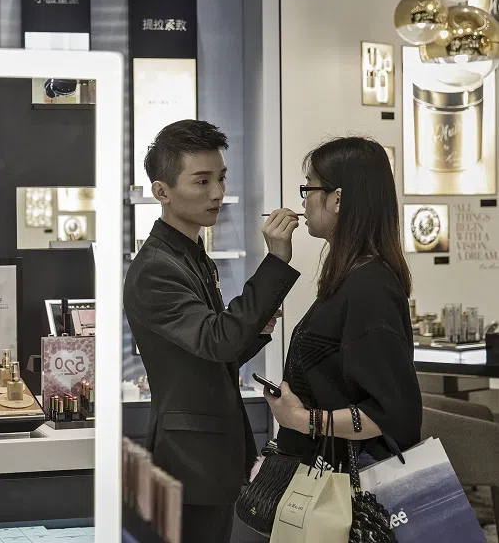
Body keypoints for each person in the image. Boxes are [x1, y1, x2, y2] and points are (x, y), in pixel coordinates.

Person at [123, 119, 301, 543]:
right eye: (201, 181)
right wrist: (275, 259)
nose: (217, 194)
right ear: (161, 191)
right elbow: (218, 339)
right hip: (189, 457)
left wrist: (254, 330)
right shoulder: (156, 268)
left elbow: (213, 350)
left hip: (208, 453)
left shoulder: (190, 254)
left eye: (220, 179)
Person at [264, 136, 422, 473]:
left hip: (349, 485)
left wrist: (302, 419)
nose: (303, 202)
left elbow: (392, 411)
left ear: (337, 199)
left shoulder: (370, 287)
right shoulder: (352, 276)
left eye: (309, 189)